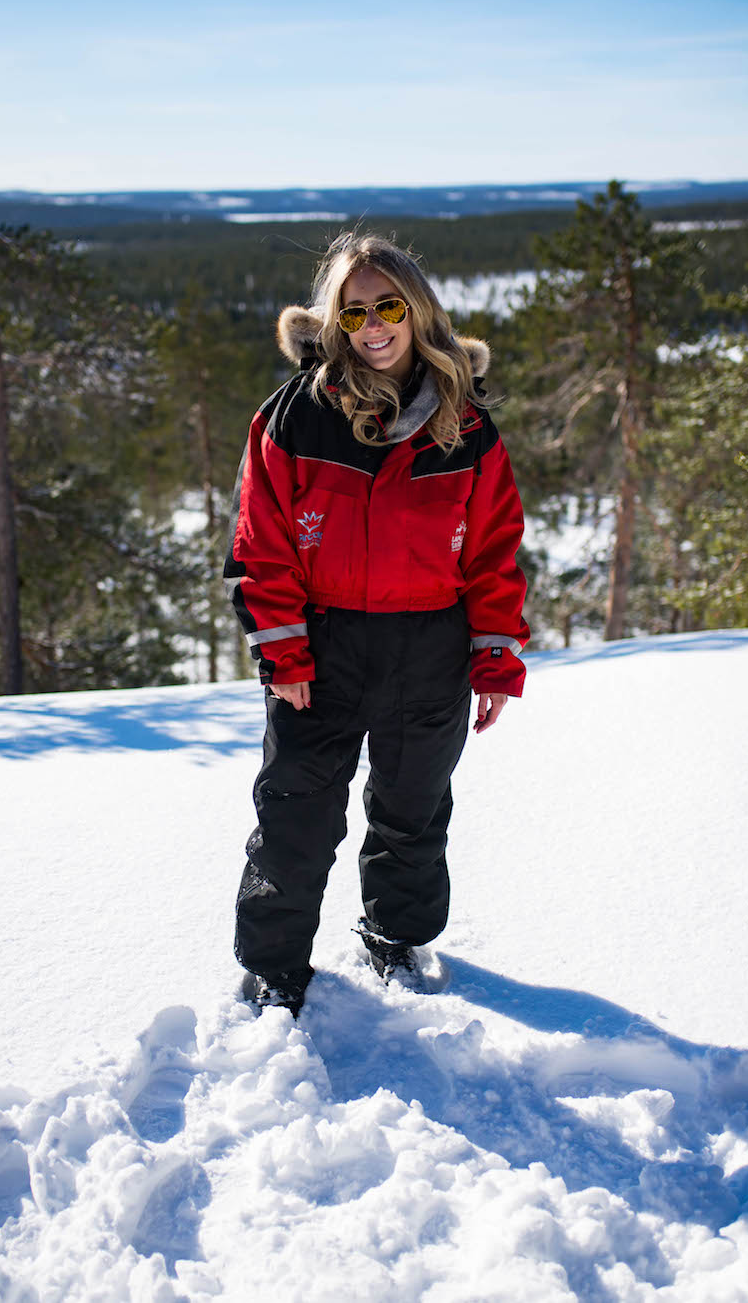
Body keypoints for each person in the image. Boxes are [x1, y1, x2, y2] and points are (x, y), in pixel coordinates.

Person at [224, 231, 529, 1017]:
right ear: (333, 321)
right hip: (322, 648)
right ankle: (275, 967)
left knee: (413, 810)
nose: (372, 325)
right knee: (295, 813)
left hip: (430, 647)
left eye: (388, 305)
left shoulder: (467, 427)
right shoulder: (293, 419)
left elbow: (494, 552)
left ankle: (397, 936)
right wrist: (283, 651)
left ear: (417, 310)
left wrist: (495, 658)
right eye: (353, 311)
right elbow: (262, 540)